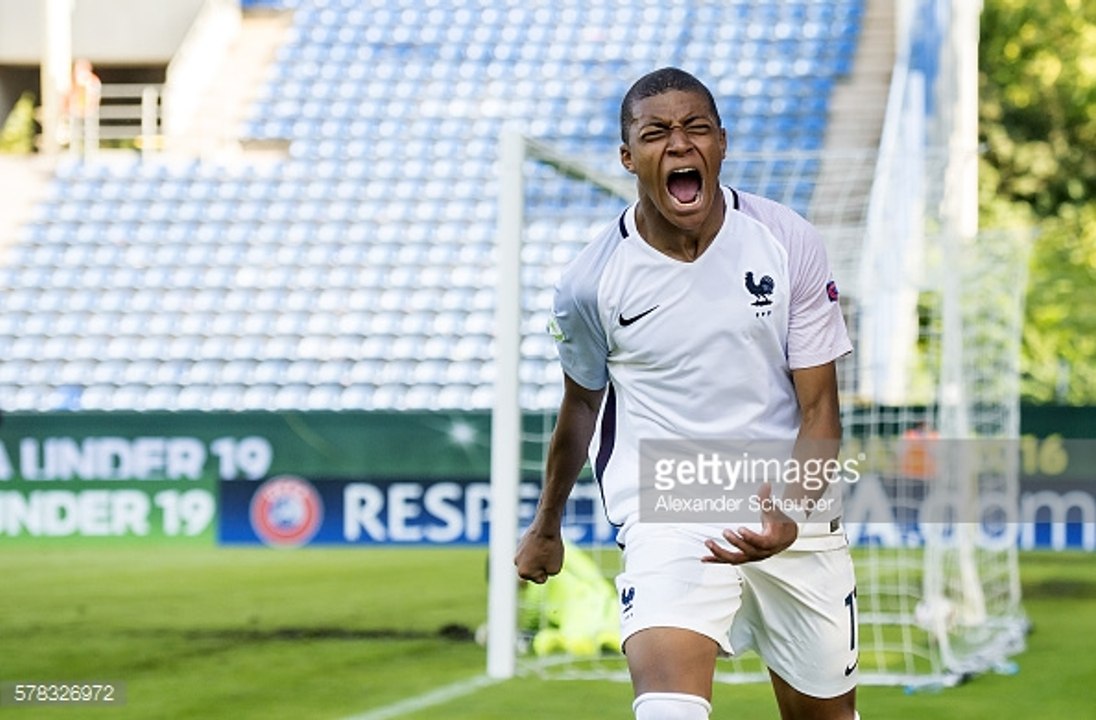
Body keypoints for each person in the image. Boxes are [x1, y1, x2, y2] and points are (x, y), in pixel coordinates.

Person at [515, 67, 859, 720]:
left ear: (721, 144)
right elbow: (581, 406)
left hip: (792, 505)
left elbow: (819, 408)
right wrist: (546, 524)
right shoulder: (591, 282)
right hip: (668, 507)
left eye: (695, 127)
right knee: (668, 711)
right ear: (628, 157)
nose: (679, 143)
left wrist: (788, 508)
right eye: (656, 132)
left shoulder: (787, 241)